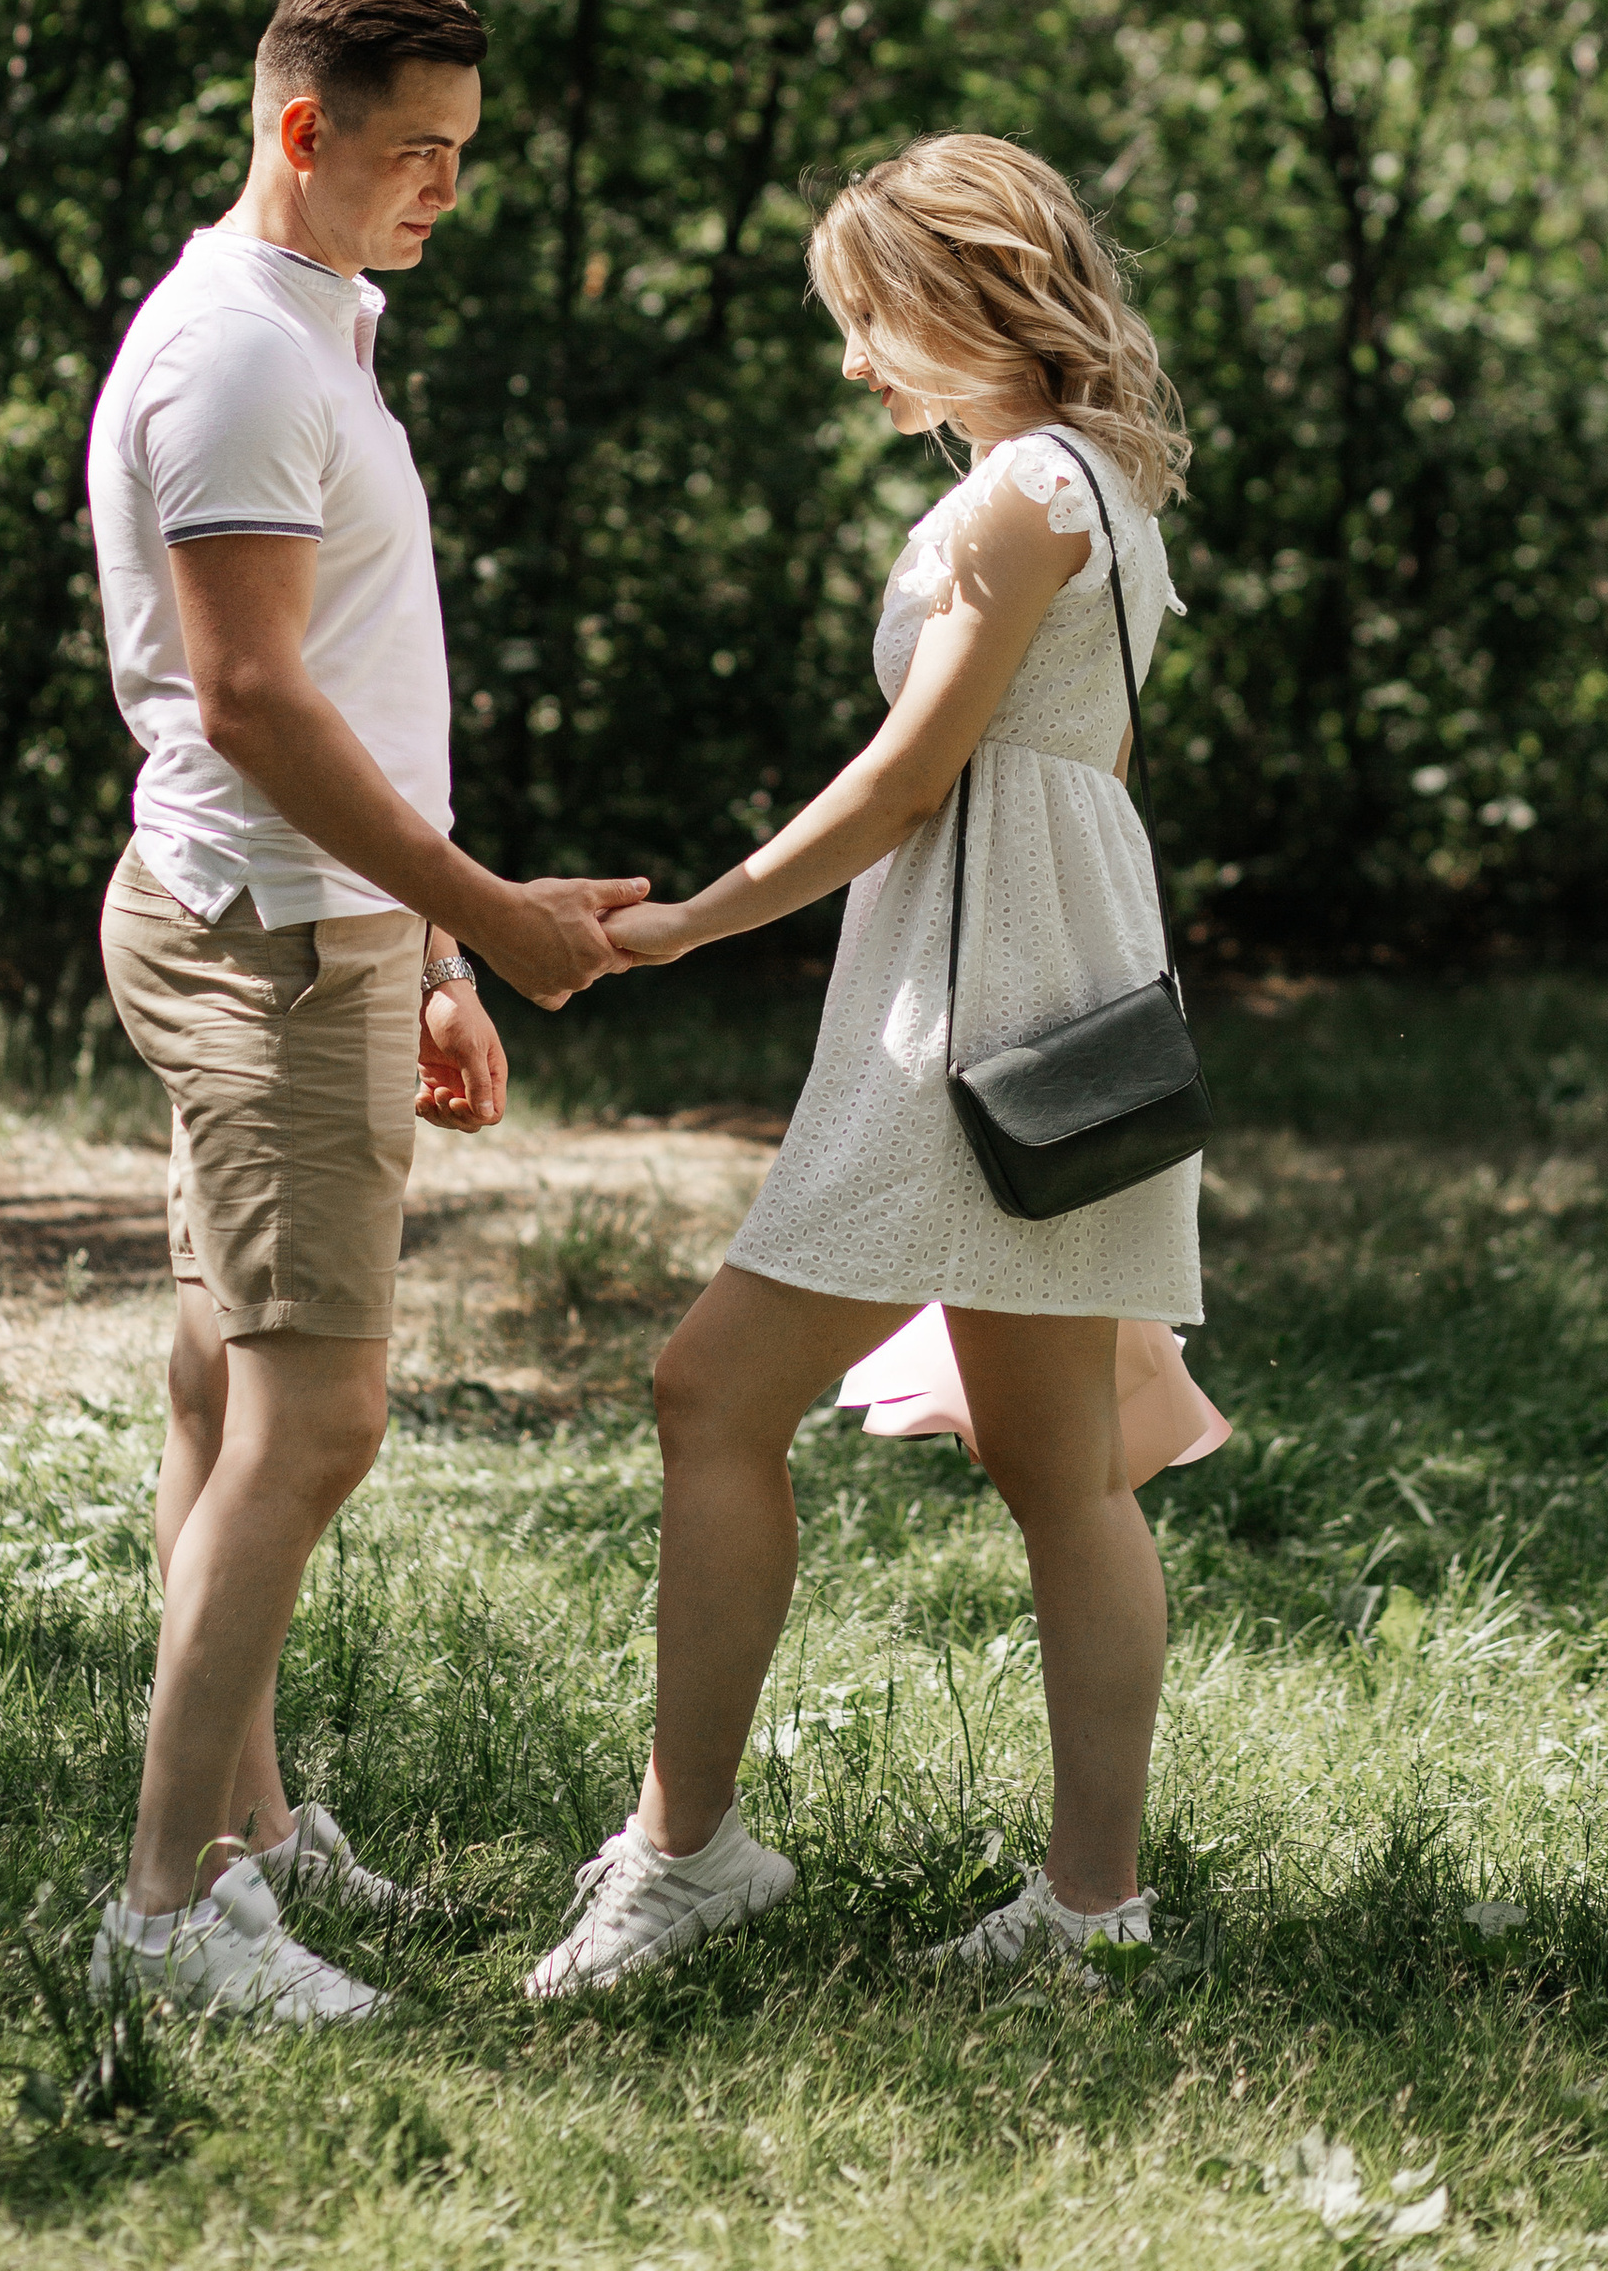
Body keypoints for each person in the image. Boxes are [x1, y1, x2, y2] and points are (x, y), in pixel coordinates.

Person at [525, 133, 1214, 2001]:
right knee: (1065, 1473)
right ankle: (1091, 1909)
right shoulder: (1109, 485)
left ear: (969, 291)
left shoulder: (1013, 497)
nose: (854, 363)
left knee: (709, 1389)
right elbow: (1071, 773)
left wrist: (690, 921)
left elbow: (913, 778)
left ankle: (689, 1850)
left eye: (868, 318)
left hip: (974, 1008)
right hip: (1063, 983)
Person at [82, 0, 648, 2024]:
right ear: (301, 129)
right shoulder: (238, 359)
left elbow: (347, 687)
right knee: (312, 1420)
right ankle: (163, 1921)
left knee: (223, 1393)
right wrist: (481, 911)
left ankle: (243, 1835)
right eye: (418, 151)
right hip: (268, 944)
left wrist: (424, 947)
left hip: (322, 928)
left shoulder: (310, 332)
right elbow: (247, 698)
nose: (447, 191)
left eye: (464, 155)